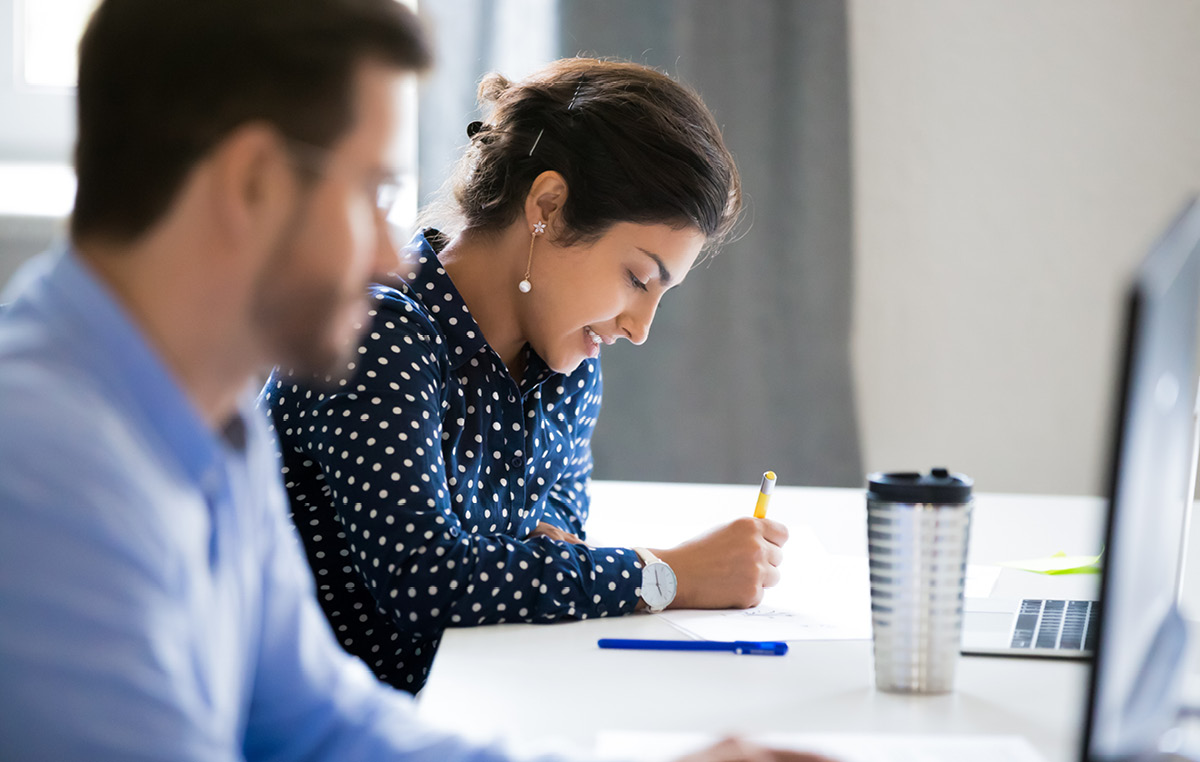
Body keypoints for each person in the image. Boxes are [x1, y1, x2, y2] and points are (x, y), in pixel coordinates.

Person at [0, 1, 828, 761]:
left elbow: (321, 722)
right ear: (251, 183)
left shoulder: (212, 423)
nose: (389, 255)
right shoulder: (44, 470)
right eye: (369, 192)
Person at [264, 57, 790, 694]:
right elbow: (428, 584)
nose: (640, 327)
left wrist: (531, 569)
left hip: (484, 707)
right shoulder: (375, 330)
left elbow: (552, 555)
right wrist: (669, 574)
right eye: (637, 279)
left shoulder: (566, 365)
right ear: (549, 206)